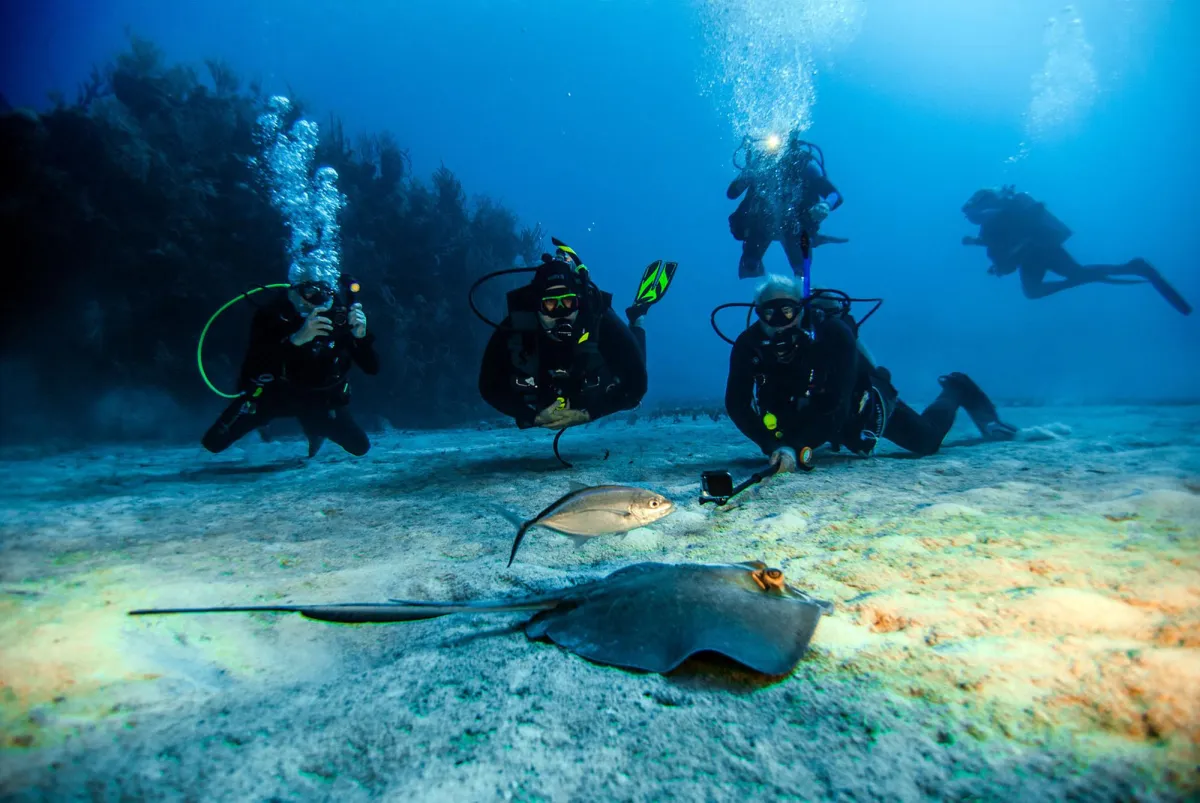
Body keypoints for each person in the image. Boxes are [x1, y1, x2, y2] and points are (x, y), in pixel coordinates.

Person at [724, 275, 1017, 471]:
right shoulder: (749, 344)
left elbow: (839, 402)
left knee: (926, 442)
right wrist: (773, 444)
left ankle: (956, 388)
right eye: (769, 313)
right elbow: (737, 403)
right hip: (802, 415)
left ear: (800, 309)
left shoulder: (832, 332)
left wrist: (797, 447)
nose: (779, 322)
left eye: (787, 311)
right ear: (757, 312)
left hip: (859, 403)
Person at [478, 242, 675, 430]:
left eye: (568, 302)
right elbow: (488, 386)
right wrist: (532, 416)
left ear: (579, 302)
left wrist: (589, 414)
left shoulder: (599, 320)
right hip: (543, 390)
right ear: (536, 307)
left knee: (631, 394)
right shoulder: (517, 326)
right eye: (550, 304)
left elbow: (637, 383)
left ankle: (637, 317)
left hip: (593, 382)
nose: (560, 313)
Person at [201, 278, 379, 457]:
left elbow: (372, 368)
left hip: (318, 399)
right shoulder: (272, 314)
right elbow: (253, 369)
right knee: (213, 442)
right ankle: (274, 426)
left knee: (359, 446)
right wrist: (296, 340)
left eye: (324, 292)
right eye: (308, 291)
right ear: (293, 289)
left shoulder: (339, 317)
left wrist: (361, 337)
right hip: (273, 395)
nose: (315, 300)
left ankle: (315, 429)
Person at [961, 185, 1191, 315]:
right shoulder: (991, 226)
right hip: (1036, 253)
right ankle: (1132, 267)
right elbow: (1002, 252)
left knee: (1050, 284)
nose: (971, 217)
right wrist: (989, 252)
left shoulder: (1002, 216)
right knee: (1058, 281)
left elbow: (1010, 241)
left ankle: (1132, 267)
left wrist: (995, 253)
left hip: (1042, 249)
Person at [727, 129, 846, 279]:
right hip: (761, 224)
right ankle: (758, 279)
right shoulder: (760, 164)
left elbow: (835, 195)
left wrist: (825, 205)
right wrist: (747, 175)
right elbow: (732, 193)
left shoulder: (804, 166)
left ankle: (801, 276)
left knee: (801, 271)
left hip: (794, 225)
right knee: (749, 265)